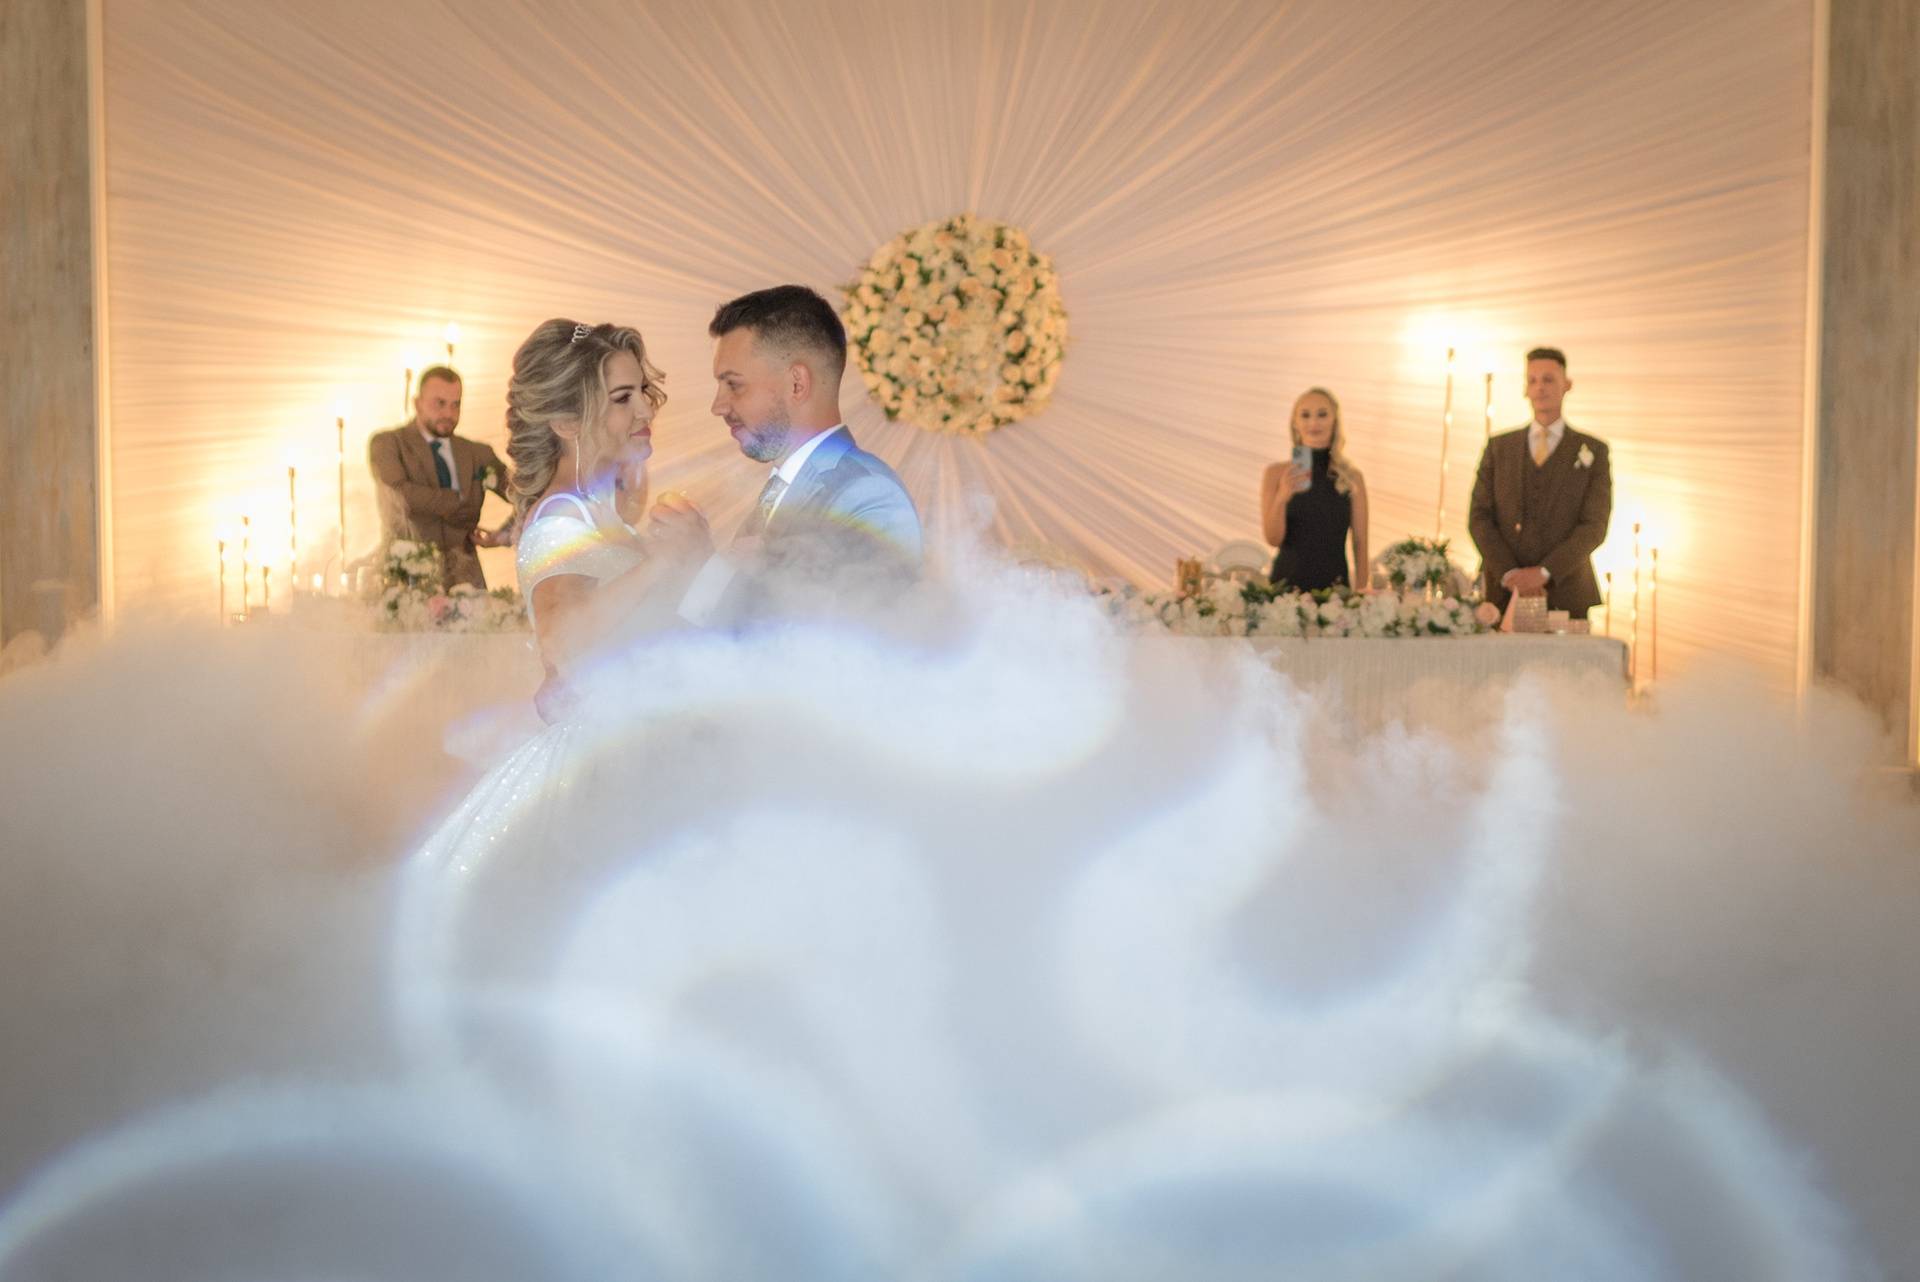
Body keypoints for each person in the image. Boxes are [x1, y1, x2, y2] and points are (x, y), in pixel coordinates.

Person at [658, 285, 923, 626]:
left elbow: (851, 640)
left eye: (734, 384)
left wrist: (705, 563)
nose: (718, 406)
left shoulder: (869, 493)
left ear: (797, 383)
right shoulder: (782, 489)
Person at [506, 320, 690, 681]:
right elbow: (556, 639)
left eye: (642, 390)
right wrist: (660, 562)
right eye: (622, 398)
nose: (647, 410)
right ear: (566, 422)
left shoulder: (595, 512)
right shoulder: (558, 519)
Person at [1467, 347, 1611, 618]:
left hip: (1566, 592)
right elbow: (1479, 517)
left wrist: (1545, 573)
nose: (1539, 387)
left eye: (1548, 379)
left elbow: (1594, 525)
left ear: (1567, 384)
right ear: (1525, 389)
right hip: (1500, 592)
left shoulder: (1594, 451)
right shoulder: (1499, 447)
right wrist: (1511, 574)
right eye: (1532, 380)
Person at [368, 366, 513, 589]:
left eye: (456, 405)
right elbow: (400, 494)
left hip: (467, 582)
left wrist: (506, 533)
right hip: (407, 579)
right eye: (440, 403)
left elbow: (528, 492)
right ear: (418, 403)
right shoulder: (388, 444)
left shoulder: (478, 453)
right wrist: (460, 501)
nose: (448, 414)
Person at [1260, 387, 1369, 591]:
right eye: (1305, 415)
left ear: (1335, 421)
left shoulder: (1352, 478)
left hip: (1335, 592)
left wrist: (1362, 593)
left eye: (1322, 414)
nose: (1313, 423)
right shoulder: (1275, 473)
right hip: (1285, 592)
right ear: (1295, 423)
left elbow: (1360, 543)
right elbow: (1273, 539)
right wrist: (1282, 497)